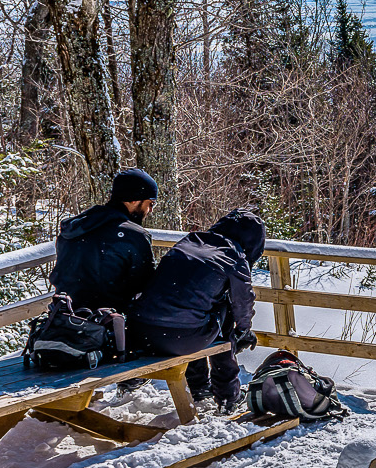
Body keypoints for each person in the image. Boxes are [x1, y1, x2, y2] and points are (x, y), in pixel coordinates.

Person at [132, 208, 265, 410]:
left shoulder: (190, 241)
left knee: (196, 310)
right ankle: (228, 395)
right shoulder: (234, 256)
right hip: (181, 338)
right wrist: (243, 330)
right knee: (225, 317)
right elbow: (243, 300)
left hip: (142, 331)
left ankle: (199, 386)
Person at [50, 168, 159, 314]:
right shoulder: (134, 236)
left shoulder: (75, 229)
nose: (150, 210)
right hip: (107, 323)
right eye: (150, 203)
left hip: (65, 318)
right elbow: (146, 287)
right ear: (134, 199)